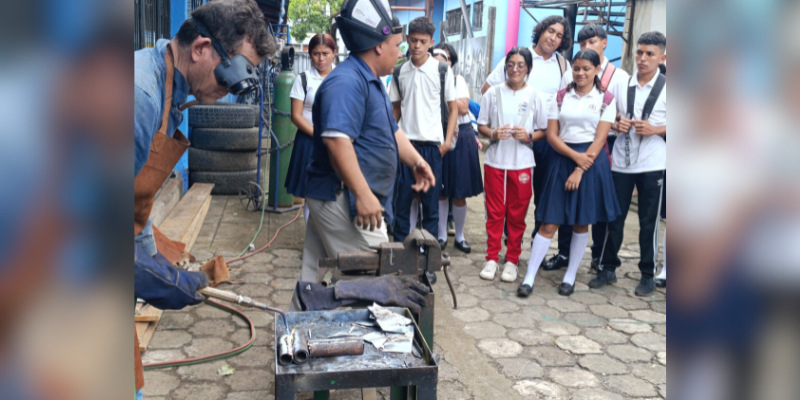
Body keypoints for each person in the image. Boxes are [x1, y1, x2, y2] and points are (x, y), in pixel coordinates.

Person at [133, 1, 273, 398]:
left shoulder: (168, 92)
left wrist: (156, 261)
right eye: (229, 78)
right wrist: (162, 281)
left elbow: (132, 210)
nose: (227, 93)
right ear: (201, 49)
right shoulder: (139, 98)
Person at [290, 0, 436, 311]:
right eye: (397, 45)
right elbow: (336, 143)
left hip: (342, 197)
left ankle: (297, 338)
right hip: (345, 200)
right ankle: (365, 350)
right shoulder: (346, 82)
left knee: (312, 277)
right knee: (372, 281)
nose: (403, 52)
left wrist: (417, 162)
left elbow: (393, 133)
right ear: (380, 46)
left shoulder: (371, 81)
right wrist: (364, 195)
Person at [518, 49, 621, 297]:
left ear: (597, 70)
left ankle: (570, 276)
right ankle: (529, 277)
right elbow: (552, 136)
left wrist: (580, 167)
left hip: (591, 162)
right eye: (576, 68)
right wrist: (575, 158)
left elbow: (599, 140)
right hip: (563, 157)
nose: (580, 73)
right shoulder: (561, 97)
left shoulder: (606, 99)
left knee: (580, 221)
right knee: (549, 221)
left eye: (586, 68)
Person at [481, 16, 573, 272]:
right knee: (498, 206)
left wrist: (534, 134)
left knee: (536, 199)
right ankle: (495, 254)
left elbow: (564, 102)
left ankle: (525, 251)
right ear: (540, 31)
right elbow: (488, 91)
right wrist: (496, 127)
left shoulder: (562, 65)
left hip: (544, 140)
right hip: (504, 146)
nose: (552, 38)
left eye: (558, 35)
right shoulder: (517, 58)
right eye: (549, 31)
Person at [590, 32, 667, 297]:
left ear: (662, 57)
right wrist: (617, 123)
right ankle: (607, 268)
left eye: (650, 54)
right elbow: (607, 118)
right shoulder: (622, 84)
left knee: (649, 222)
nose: (643, 59)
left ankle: (648, 274)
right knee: (614, 217)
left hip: (653, 163)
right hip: (621, 162)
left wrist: (656, 129)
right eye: (639, 52)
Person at [477, 47, 550, 283]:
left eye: (520, 65)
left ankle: (512, 260)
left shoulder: (536, 96)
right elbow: (482, 126)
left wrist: (528, 136)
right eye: (511, 64)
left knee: (517, 214)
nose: (515, 69)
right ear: (505, 66)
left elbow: (544, 131)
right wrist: (494, 133)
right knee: (495, 212)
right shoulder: (493, 93)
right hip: (496, 162)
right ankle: (491, 257)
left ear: (528, 68)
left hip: (523, 164)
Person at [389, 17, 458, 244]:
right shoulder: (399, 72)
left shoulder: (441, 70)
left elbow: (453, 107)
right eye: (414, 40)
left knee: (431, 207)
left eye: (423, 41)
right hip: (406, 146)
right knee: (401, 204)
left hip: (432, 148)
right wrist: (390, 138)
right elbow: (396, 108)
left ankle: (427, 259)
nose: (417, 46)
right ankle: (399, 257)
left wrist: (446, 144)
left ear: (431, 42)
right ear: (407, 39)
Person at [575, 23, 631, 272]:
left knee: (598, 204)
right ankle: (567, 253)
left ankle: (599, 255)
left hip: (605, 146)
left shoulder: (619, 77)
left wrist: (618, 121)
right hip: (576, 144)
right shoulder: (574, 72)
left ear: (604, 42)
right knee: (573, 200)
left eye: (592, 42)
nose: (588, 47)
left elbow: (626, 114)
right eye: (583, 44)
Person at [432, 43, 483, 253]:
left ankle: (460, 236)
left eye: (444, 60)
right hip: (437, 136)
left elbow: (462, 108)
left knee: (459, 192)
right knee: (442, 191)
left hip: (461, 137)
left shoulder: (457, 79)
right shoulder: (426, 79)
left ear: (450, 62)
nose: (439, 65)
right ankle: (442, 235)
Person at [287, 33, 337, 224]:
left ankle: (329, 240)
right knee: (310, 191)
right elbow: (296, 116)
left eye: (326, 53)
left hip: (338, 141)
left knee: (334, 189)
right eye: (316, 54)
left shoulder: (343, 77)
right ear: (310, 54)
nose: (321, 59)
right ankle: (311, 240)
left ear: (335, 52)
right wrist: (320, 137)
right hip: (309, 141)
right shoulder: (304, 79)